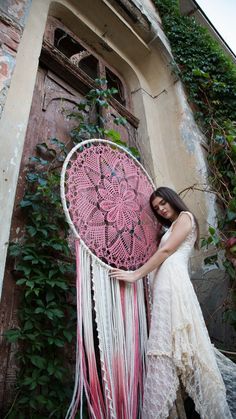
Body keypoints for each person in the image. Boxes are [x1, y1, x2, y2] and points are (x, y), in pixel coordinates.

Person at [110, 187, 234, 419]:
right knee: (165, 343)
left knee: (174, 345)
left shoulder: (186, 218)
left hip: (174, 284)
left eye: (163, 203)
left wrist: (136, 274)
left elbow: (166, 251)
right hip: (164, 285)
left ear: (172, 199)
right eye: (157, 208)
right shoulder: (170, 226)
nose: (162, 209)